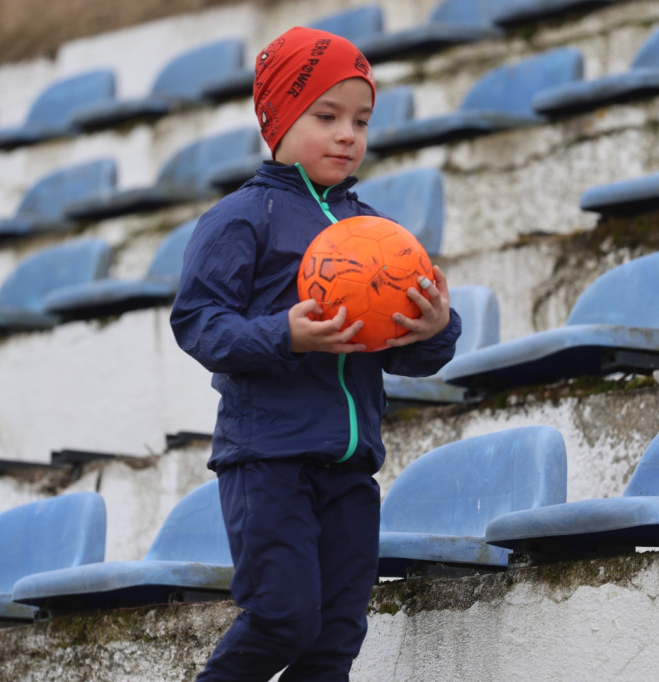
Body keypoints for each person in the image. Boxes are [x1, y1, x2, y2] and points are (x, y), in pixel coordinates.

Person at [171, 26, 461, 681]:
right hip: (268, 460)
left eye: (360, 120)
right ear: (276, 120)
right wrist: (285, 335)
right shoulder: (243, 217)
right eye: (325, 116)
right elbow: (197, 322)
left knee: (335, 639)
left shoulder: (375, 232)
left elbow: (410, 353)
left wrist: (436, 327)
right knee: (283, 617)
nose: (346, 135)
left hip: (351, 468)